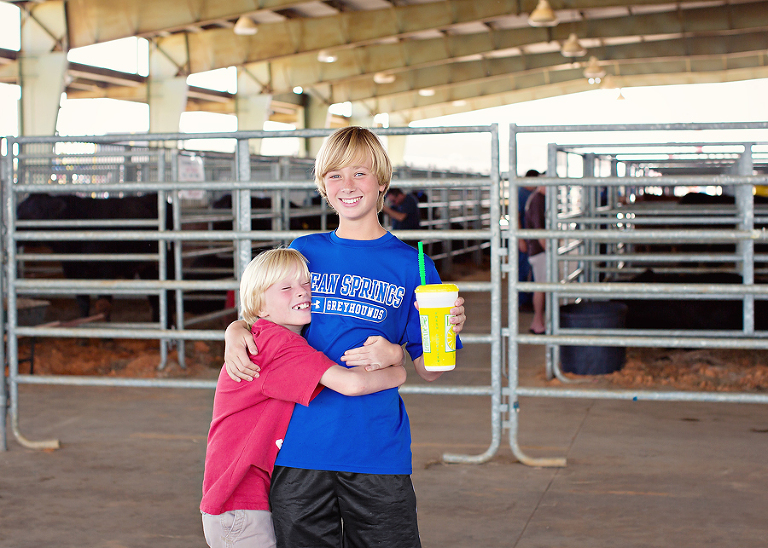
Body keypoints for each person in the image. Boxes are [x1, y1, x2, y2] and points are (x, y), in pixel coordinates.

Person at [223, 126, 467, 548]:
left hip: (376, 449)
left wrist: (424, 340)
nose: (348, 186)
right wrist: (234, 329)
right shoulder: (304, 251)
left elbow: (431, 369)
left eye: (360, 173)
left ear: (382, 182)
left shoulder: (413, 266)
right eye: (335, 175)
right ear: (323, 185)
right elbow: (264, 314)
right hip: (298, 447)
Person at [200, 248, 407, 548]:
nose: (301, 291)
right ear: (260, 306)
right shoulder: (279, 345)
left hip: (238, 501)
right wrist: (398, 367)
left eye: (307, 283)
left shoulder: (265, 335)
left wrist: (235, 327)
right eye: (286, 287)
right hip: (239, 503)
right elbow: (351, 384)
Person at [524, 180, 547, 334]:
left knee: (541, 286)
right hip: (539, 250)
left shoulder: (535, 197)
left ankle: (537, 322)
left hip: (536, 249)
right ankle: (538, 322)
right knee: (541, 287)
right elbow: (539, 230)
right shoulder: (538, 200)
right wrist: (549, 250)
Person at [517, 169, 540, 310]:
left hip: (530, 238)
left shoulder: (531, 193)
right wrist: (520, 239)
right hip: (524, 238)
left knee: (531, 269)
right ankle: (522, 301)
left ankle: (531, 300)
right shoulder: (520, 193)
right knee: (523, 269)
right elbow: (516, 216)